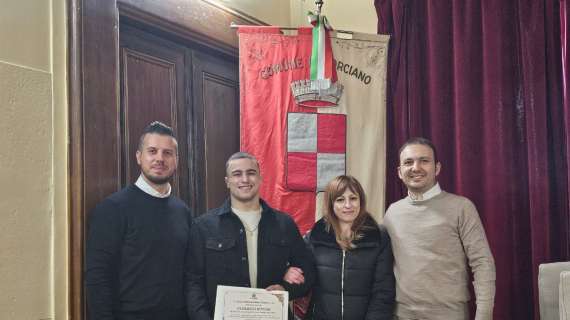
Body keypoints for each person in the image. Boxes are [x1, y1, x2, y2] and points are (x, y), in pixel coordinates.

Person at [186, 152, 315, 320]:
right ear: (227, 182)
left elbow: (309, 271)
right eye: (237, 174)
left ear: (260, 178)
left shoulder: (284, 224)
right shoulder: (203, 227)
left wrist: (286, 289)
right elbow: (193, 282)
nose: (245, 179)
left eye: (251, 173)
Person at [85, 121, 192, 320]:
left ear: (176, 160)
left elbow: (189, 275)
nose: (160, 158)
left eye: (167, 153)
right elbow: (97, 278)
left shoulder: (183, 212)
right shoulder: (113, 209)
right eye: (152, 151)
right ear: (138, 157)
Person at [384, 137, 496, 320]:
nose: (415, 167)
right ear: (399, 171)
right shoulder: (392, 213)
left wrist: (484, 315)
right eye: (408, 162)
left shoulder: (462, 207)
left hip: (449, 314)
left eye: (424, 161)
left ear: (437, 168)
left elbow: (482, 263)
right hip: (401, 315)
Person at [295, 175, 395, 320]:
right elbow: (300, 275)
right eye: (340, 200)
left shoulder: (379, 237)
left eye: (353, 198)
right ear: (331, 204)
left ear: (361, 200)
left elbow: (383, 292)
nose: (348, 205)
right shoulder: (315, 237)